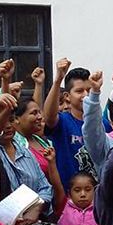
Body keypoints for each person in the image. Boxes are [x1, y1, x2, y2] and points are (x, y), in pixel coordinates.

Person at [43, 58, 90, 191]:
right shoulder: (63, 121)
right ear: (67, 96)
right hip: (68, 200)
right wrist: (58, 79)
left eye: (89, 90)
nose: (86, 95)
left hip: (98, 200)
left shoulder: (102, 124)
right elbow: (48, 117)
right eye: (79, 91)